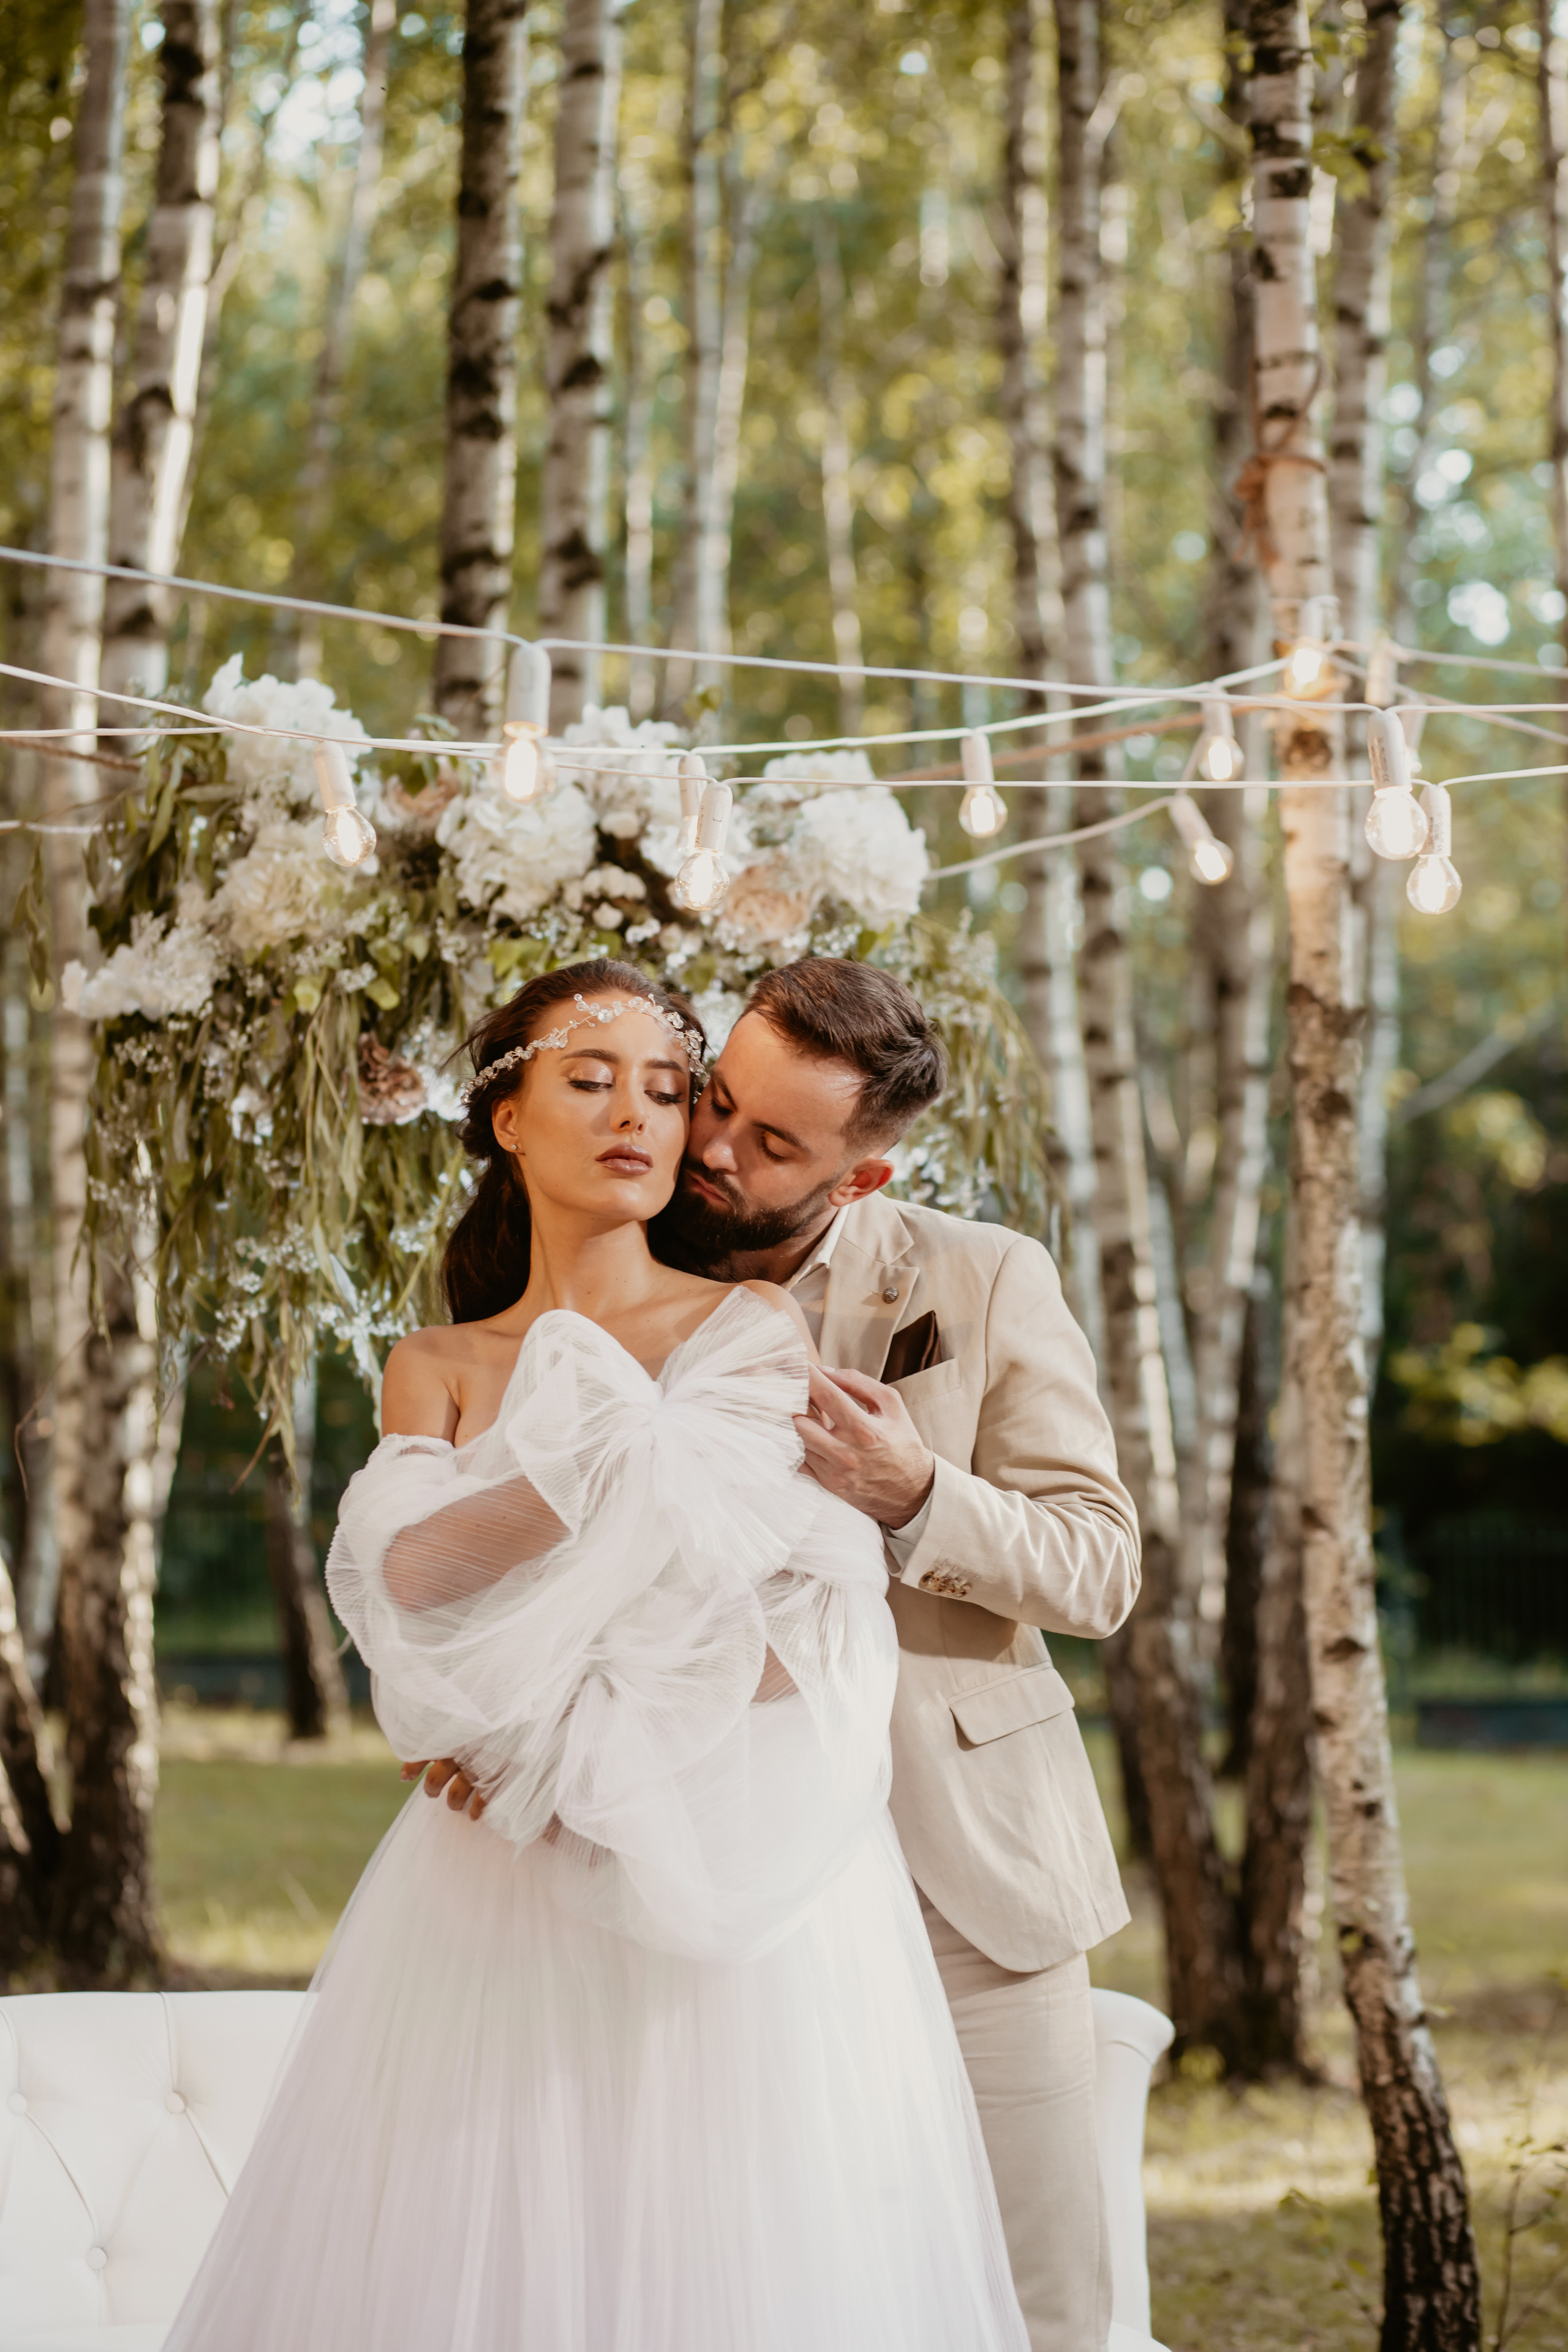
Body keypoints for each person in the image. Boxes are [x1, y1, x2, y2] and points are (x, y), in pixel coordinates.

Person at [162, 957, 1028, 2352]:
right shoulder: (435, 1361)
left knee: (727, 2238)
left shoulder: (748, 1328)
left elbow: (804, 1617)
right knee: (492, 2228)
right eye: (588, 1078)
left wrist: (569, 1747)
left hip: (714, 1847)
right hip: (493, 1877)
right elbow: (405, 1577)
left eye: (668, 1090)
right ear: (509, 1118)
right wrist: (571, 1481)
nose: (638, 1114)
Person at [424, 956, 1141, 2352]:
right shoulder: (605, 1268)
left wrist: (913, 1492)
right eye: (717, 1101)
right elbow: (477, 1545)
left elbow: (1097, 1565)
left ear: (860, 1177)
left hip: (964, 1881)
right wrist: (474, 1710)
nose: (707, 1146)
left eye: (770, 1144)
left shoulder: (986, 1278)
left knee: (1031, 2303)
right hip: (697, 1879)